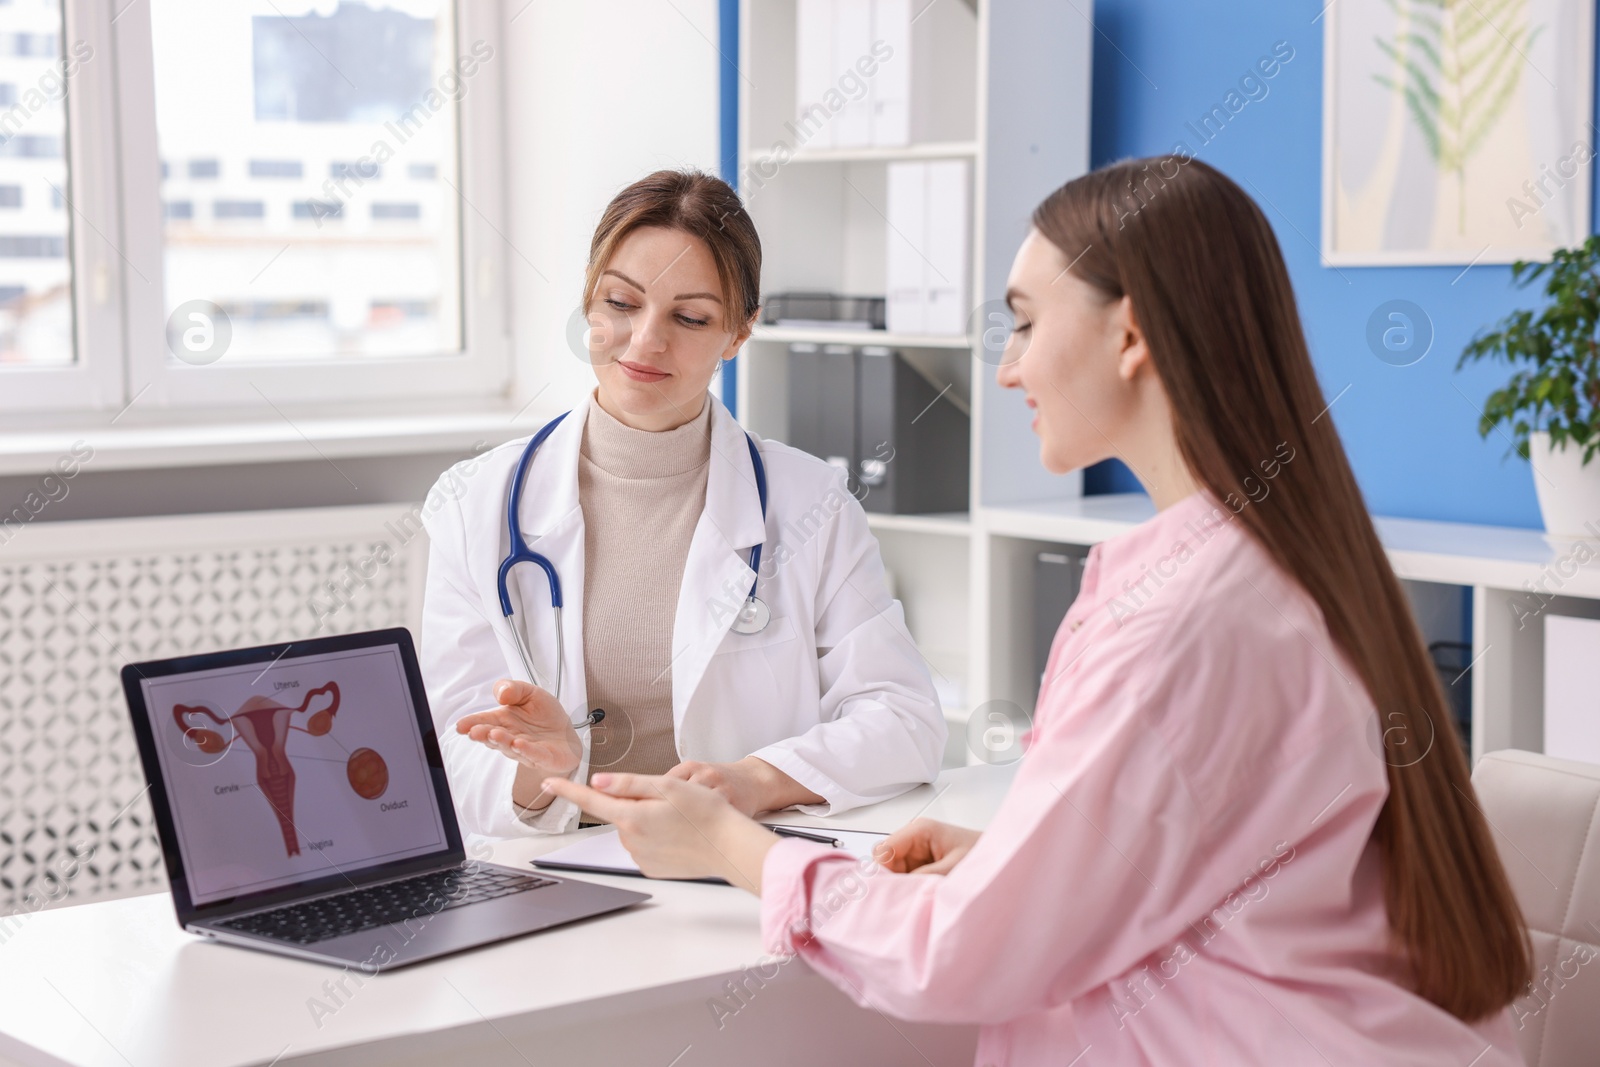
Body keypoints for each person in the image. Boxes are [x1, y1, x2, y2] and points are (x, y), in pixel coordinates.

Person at [540, 156, 1533, 1064]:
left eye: (1022, 320)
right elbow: (1239, 859)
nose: (1006, 366)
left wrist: (729, 845)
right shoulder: (1262, 562)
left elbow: (963, 956)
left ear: (1130, 332)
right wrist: (1028, 860)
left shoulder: (1182, 617)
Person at [419, 169, 946, 838]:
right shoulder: (478, 506)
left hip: (739, 864)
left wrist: (753, 779)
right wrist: (540, 768)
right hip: (563, 871)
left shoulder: (811, 503)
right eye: (620, 302)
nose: (645, 341)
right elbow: (450, 749)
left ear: (738, 334)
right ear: (589, 302)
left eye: (690, 317)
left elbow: (904, 719)